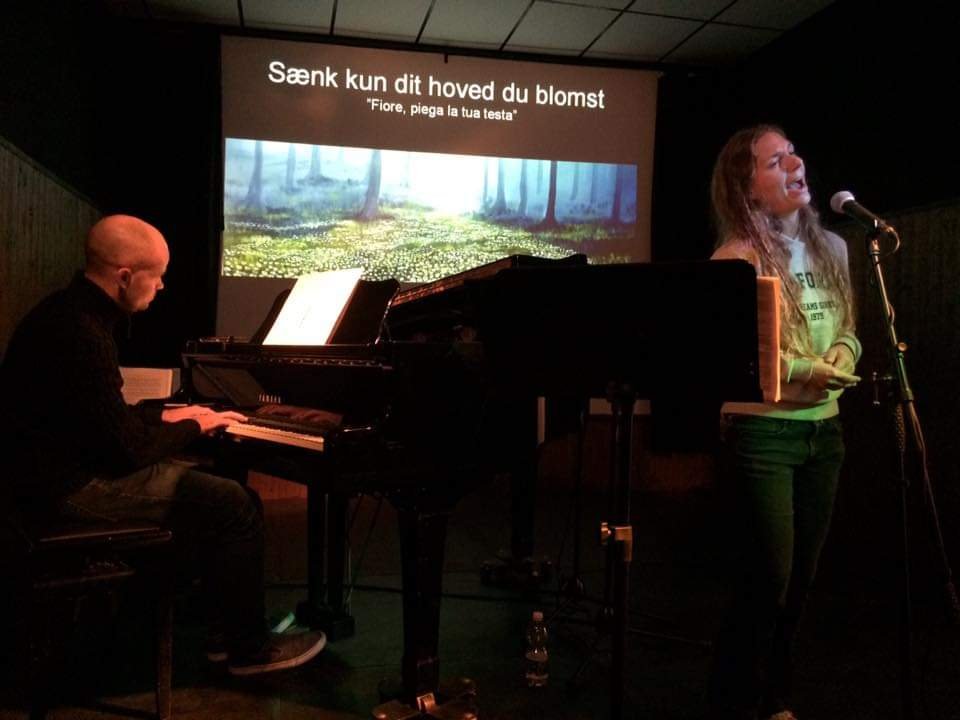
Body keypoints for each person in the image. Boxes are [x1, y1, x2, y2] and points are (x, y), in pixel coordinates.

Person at [0, 214, 326, 676]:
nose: (163, 287)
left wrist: (167, 414)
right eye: (158, 276)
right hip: (65, 489)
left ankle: (222, 634)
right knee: (233, 501)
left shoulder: (66, 312)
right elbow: (126, 451)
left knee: (220, 497)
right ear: (125, 277)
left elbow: (96, 418)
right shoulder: (83, 333)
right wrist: (197, 425)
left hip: (47, 473)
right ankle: (248, 649)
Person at [707, 126, 862, 720]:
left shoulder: (837, 249)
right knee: (766, 579)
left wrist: (844, 355)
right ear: (748, 191)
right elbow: (738, 352)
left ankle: (773, 695)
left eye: (794, 151)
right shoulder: (734, 260)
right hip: (764, 430)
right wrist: (804, 368)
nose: (796, 161)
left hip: (824, 431)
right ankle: (731, 699)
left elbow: (849, 328)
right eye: (776, 161)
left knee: (800, 582)